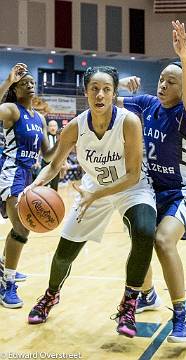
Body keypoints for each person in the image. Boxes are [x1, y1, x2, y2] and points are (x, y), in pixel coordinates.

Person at [25, 66, 157, 338]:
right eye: (94, 89)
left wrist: (97, 195)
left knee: (145, 231)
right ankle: (51, 295)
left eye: (107, 89)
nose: (100, 94)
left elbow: (133, 175)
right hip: (92, 188)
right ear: (85, 92)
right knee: (64, 251)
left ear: (114, 93)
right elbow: (53, 166)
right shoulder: (75, 126)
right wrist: (37, 183)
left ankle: (130, 303)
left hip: (130, 187)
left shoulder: (129, 121)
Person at [117, 21, 186, 342]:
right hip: (150, 190)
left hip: (184, 192)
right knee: (141, 238)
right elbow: (105, 104)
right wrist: (116, 84)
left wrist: (184, 56)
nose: (163, 85)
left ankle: (182, 317)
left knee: (163, 240)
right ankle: (148, 295)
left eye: (172, 82)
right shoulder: (145, 104)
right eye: (162, 80)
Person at [0, 63, 58, 308]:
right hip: (10, 171)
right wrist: (7, 81)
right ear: (16, 89)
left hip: (28, 176)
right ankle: (7, 283)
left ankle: (5, 268)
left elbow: (47, 155)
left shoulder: (40, 118)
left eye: (33, 83)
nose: (31, 86)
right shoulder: (12, 110)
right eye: (24, 83)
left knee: (21, 228)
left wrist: (65, 142)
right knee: (22, 229)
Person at [41, 120, 60, 191]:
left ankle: (53, 200)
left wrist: (65, 162)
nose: (53, 127)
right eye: (51, 126)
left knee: (55, 184)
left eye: (54, 126)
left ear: (57, 127)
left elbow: (63, 150)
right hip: (45, 162)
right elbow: (40, 150)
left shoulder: (60, 137)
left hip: (56, 162)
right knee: (43, 182)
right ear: (48, 127)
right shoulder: (45, 137)